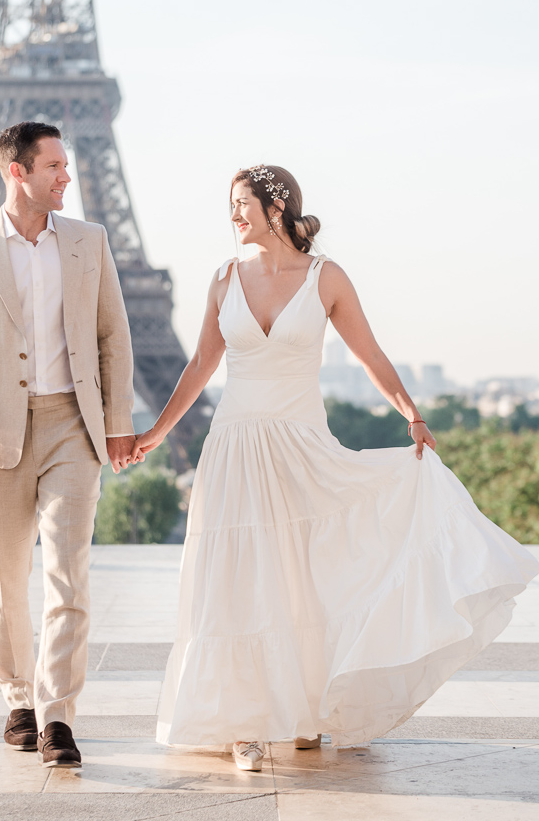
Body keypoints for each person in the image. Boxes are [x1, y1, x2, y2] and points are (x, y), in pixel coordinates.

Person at [133, 164, 538, 771]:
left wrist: (412, 413)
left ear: (276, 208)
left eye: (241, 203)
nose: (232, 214)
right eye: (231, 204)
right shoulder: (223, 278)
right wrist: (155, 435)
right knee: (237, 584)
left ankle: (305, 713)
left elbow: (368, 353)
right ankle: (245, 724)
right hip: (234, 448)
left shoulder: (326, 277)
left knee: (305, 580)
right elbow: (199, 367)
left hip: (302, 448)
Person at [0, 121, 137, 768]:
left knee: (68, 574)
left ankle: (58, 714)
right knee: (5, 578)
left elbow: (113, 336)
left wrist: (117, 422)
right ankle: (18, 696)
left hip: (72, 424)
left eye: (67, 165)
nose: (66, 176)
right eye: (54, 166)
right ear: (16, 171)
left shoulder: (88, 240)